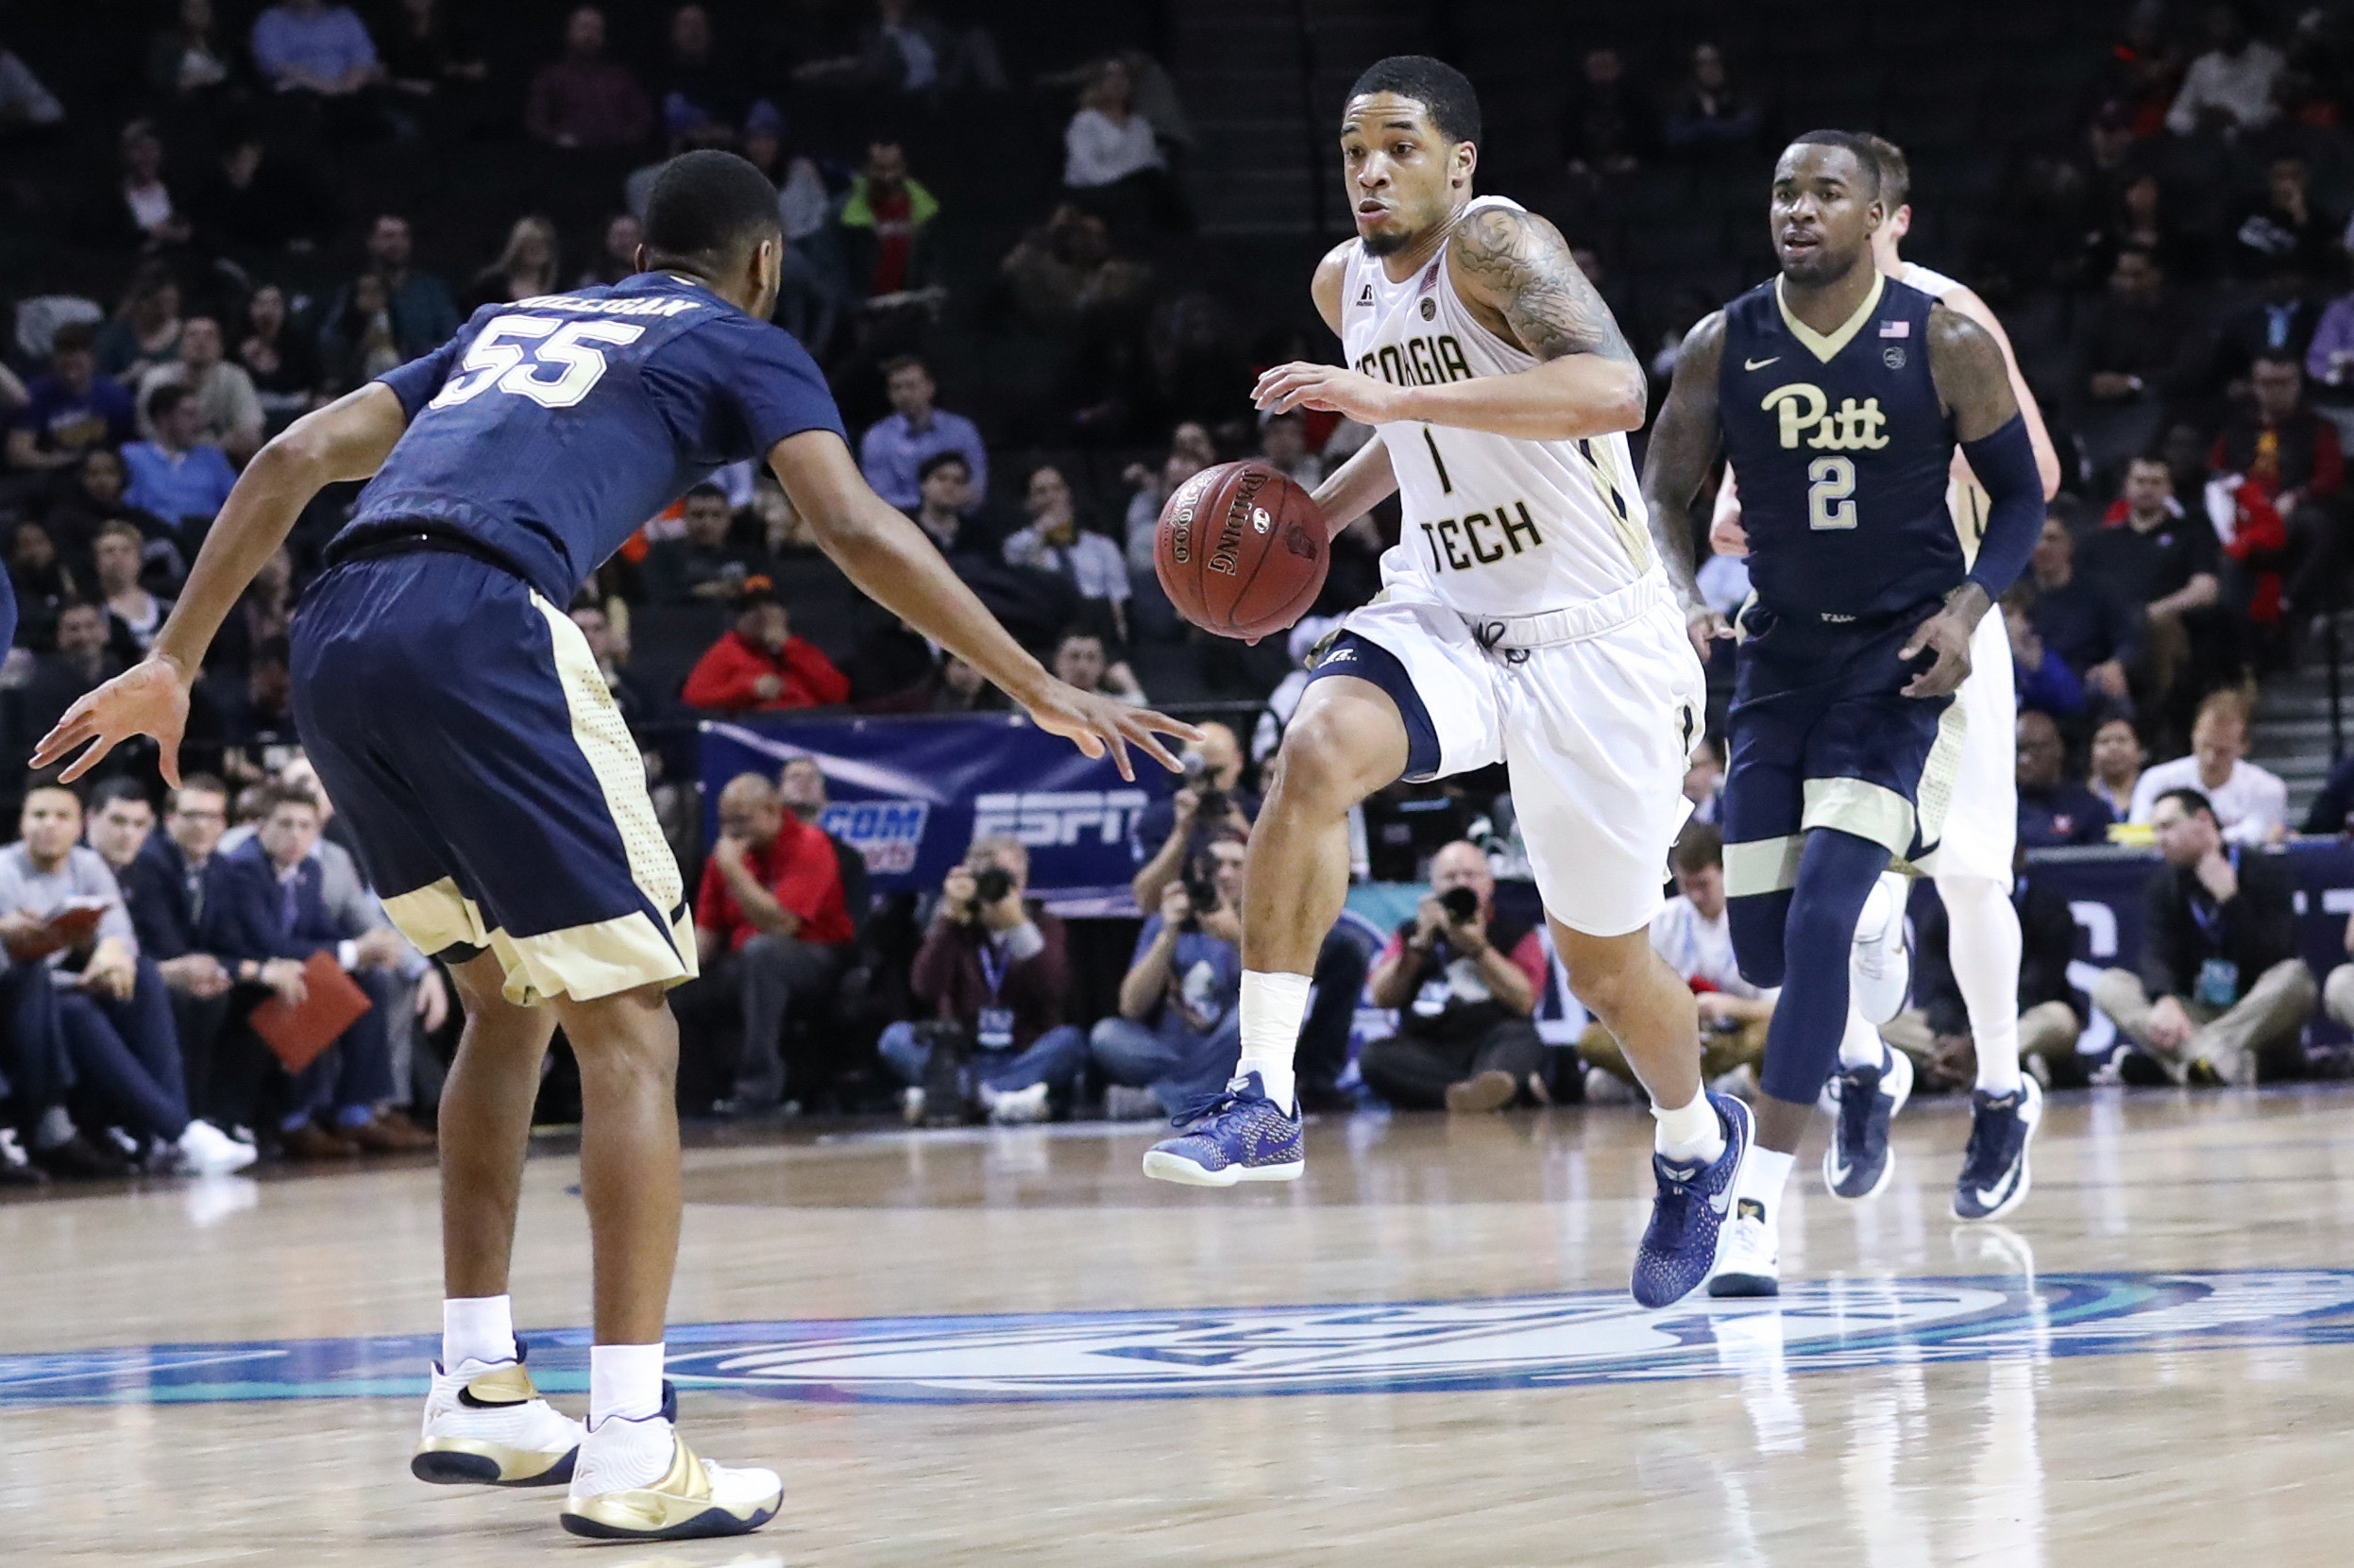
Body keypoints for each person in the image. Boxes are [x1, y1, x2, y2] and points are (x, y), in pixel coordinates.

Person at [35, 147, 1187, 1543]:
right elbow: (850, 523)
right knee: (629, 1025)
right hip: (481, 617)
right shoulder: (742, 338)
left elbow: (286, 457)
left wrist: (175, 654)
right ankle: (634, 1441)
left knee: (502, 999)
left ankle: (477, 1383)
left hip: (336, 627)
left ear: (640, 244)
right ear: (765, 264)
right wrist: (1033, 682)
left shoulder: (511, 322)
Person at [1160, 58, 1733, 1310]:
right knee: (1312, 751)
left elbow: (1614, 388)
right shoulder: (1341, 278)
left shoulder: (1497, 244)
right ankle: (1265, 1091)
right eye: (1356, 150)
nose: (1371, 170)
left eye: (1399, 148)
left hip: (1597, 644)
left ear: (1459, 162)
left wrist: (1392, 392)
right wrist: (1303, 527)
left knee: (1605, 969)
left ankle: (1695, 1141)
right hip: (1447, 605)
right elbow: (1408, 433)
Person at [1643, 130, 2041, 1295]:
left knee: (1825, 922)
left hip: (1900, 661)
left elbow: (2026, 491)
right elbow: (1664, 489)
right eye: (1783, 192)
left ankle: (1754, 1206)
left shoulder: (1949, 333)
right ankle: (1875, 942)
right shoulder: (1727, 342)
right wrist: (1680, 594)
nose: (1798, 210)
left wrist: (1967, 611)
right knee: (1769, 947)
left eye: (1826, 192)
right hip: (1778, 658)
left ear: (1884, 216)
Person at [3, 780, 256, 1176]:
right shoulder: (5, 870)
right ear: (22, 824)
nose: (49, 824)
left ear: (78, 826)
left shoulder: (87, 866)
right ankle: (180, 1133)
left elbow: (120, 935)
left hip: (72, 987)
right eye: (38, 815)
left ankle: (167, 1134)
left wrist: (109, 956)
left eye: (60, 816)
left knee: (146, 980)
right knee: (78, 1012)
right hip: (24, 998)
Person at [2093, 787, 2315, 1085]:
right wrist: (2165, 999)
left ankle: (2195, 1059)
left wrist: (2231, 900)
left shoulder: (2264, 871)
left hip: (2254, 1014)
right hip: (2194, 1012)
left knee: (2296, 978)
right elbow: (2156, 953)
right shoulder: (2164, 885)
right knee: (2110, 985)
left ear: (2203, 819)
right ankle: (2215, 1062)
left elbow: (2274, 954)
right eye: (2156, 829)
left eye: (2168, 826)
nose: (2161, 839)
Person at [879, 835, 1085, 1125]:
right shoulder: (956, 926)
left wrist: (1018, 925)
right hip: (962, 1056)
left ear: (1024, 881)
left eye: (1011, 878)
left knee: (1070, 1042)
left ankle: (960, 1097)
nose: (1001, 887)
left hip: (1024, 1052)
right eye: (991, 878)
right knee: (894, 1038)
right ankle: (1001, 1100)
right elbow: (925, 988)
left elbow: (1055, 988)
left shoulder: (1043, 924)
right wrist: (949, 920)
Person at [686, 773, 853, 1115]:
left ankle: (759, 1091)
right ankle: (688, 1098)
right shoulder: (724, 856)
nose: (733, 831)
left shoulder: (810, 843)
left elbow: (782, 924)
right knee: (681, 987)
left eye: (742, 820)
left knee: (763, 953)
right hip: (746, 960)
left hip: (815, 957)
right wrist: (671, 974)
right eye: (725, 822)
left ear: (771, 811)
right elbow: (705, 933)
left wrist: (733, 870)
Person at [1583, 820, 1771, 1096]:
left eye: (1704, 885)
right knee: (1591, 1039)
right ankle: (1708, 1085)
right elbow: (1630, 993)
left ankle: (1664, 1087)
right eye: (1686, 885)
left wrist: (1728, 1007)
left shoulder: (1755, 922)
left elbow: (1777, 1008)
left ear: (1725, 873)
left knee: (1773, 1035)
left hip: (1733, 1035)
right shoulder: (1663, 919)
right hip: (1674, 1038)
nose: (1695, 895)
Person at [1359, 840, 1548, 1111]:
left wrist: (1479, 949)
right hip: (1429, 1047)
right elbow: (1381, 997)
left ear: (1489, 883)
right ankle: (1480, 1094)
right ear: (1433, 886)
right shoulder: (1412, 932)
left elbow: (1526, 1000)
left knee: (1524, 1039)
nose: (1461, 883)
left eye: (1470, 875)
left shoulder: (1516, 931)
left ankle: (1480, 1089)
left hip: (1493, 1040)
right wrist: (1420, 946)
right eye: (1450, 877)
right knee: (1374, 1057)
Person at [1092, 831, 1250, 1123]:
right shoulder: (1170, 918)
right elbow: (1130, 1007)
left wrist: (1234, 935)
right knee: (1106, 1035)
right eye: (1215, 865)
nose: (1225, 874)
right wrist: (1167, 936)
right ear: (1199, 871)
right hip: (1169, 1047)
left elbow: (1277, 989)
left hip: (1226, 1043)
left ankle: (1162, 1100)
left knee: (1249, 1020)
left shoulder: (1259, 921)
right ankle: (1203, 1089)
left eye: (1236, 865)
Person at [2081, 455, 2221, 720]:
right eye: (2140, 481)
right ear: (2126, 486)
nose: (2147, 488)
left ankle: (2160, 720)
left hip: (2163, 633)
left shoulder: (2191, 534)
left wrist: (2150, 612)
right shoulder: (2100, 541)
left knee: (2159, 627)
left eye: (2156, 482)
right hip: (2107, 633)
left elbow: (2206, 589)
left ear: (2169, 489)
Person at [2126, 688, 2287, 844]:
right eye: (2205, 746)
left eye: (2222, 751)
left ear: (2244, 746)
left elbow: (2258, 834)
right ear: (2193, 734)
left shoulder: (2267, 788)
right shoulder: (2156, 780)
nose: (2211, 758)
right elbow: (2137, 835)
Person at [2023, 515, 2139, 711]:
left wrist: (2116, 664)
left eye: (2052, 539)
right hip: (2034, 681)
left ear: (2069, 545)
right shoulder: (2018, 594)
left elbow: (2128, 638)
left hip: (2086, 679)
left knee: (2112, 687)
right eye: (2036, 538)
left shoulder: (2099, 591)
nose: (2042, 546)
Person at [1003, 464, 1128, 645]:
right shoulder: (1017, 545)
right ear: (1028, 503)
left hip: (1097, 628)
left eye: (1057, 488)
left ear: (1068, 493)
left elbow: (1117, 603)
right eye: (1041, 491)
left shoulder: (1102, 546)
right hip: (1048, 630)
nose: (1051, 497)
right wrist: (1042, 530)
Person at [680, 582, 850, 712]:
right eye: (752, 608)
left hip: (810, 729)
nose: (764, 614)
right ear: (738, 619)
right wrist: (749, 689)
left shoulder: (800, 649)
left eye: (770, 605)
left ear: (784, 614)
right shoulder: (728, 649)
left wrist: (789, 648)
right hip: (757, 733)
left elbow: (838, 694)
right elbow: (694, 698)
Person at [320, 214, 462, 363]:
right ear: (371, 241)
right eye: (389, 236)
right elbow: (328, 341)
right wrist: (357, 317)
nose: (397, 243)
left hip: (420, 375)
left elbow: (453, 338)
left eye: (403, 236)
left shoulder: (431, 290)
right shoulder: (353, 290)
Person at [857, 355, 985, 513]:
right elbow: (880, 497)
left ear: (930, 388)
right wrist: (932, 504)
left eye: (911, 386)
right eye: (896, 388)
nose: (904, 394)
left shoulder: (961, 431)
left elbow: (976, 488)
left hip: (958, 525)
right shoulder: (877, 438)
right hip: (902, 526)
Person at [8, 322, 135, 473]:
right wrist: (60, 461)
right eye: (65, 365)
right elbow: (18, 453)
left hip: (102, 473)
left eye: (77, 364)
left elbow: (130, 448)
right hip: (53, 474)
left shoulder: (116, 395)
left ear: (93, 359)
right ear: (54, 360)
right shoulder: (37, 395)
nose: (71, 373)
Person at [139, 316, 265, 462]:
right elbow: (147, 432)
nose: (201, 342)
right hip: (165, 462)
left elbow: (251, 437)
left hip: (220, 463)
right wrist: (211, 443)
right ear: (179, 345)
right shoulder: (157, 379)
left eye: (209, 336)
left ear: (221, 347)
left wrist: (207, 446)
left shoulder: (236, 377)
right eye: (192, 335)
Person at [526, 6, 650, 150]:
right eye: (584, 28)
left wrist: (624, 140)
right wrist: (557, 139)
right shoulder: (550, 77)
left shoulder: (620, 78)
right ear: (569, 32)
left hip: (615, 158)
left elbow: (641, 119)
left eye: (595, 29)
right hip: (564, 159)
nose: (589, 35)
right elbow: (536, 122)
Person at [122, 384, 238, 529]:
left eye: (199, 414)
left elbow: (237, 504)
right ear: (163, 418)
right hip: (155, 537)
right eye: (189, 414)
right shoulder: (132, 456)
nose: (199, 423)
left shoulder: (213, 457)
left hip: (206, 537)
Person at [2166, 4, 2283, 136]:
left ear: (2241, 24)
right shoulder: (2202, 66)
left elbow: (2274, 112)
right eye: (2213, 23)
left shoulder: (2270, 60)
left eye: (2222, 22)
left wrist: (2234, 118)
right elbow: (2175, 116)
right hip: (2206, 143)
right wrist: (2199, 119)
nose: (2216, 30)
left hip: (2254, 143)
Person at [642, 482, 769, 602]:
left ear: (728, 518)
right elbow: (655, 597)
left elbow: (768, 592)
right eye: (698, 515)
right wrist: (701, 592)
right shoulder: (663, 554)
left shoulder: (749, 556)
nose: (707, 523)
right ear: (684, 516)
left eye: (716, 515)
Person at [2016, 710, 2114, 850]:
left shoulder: (2089, 808)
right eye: (2019, 750)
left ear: (2058, 749)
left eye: (2035, 748)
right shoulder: (1999, 807)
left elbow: (2109, 865)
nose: (2024, 760)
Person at [467, 215, 564, 312]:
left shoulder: (562, 292)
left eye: (543, 242)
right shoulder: (489, 288)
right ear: (517, 246)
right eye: (530, 242)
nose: (536, 248)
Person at [1049, 627, 1145, 705]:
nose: (1082, 667)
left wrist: (1129, 684)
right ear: (1057, 661)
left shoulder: (1113, 706)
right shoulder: (1040, 703)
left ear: (1102, 665)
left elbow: (1140, 706)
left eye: (1091, 658)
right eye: (1074, 656)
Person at [2088, 714, 2143, 819]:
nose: (2113, 747)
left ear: (2139, 751)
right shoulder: (2082, 799)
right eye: (2104, 741)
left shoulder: (2156, 794)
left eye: (2122, 740)